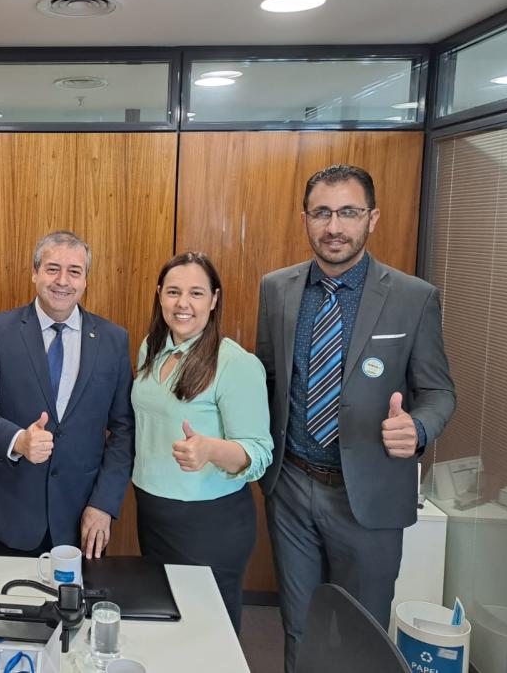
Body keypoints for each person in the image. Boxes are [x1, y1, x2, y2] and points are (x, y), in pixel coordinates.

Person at [255, 164, 455, 672]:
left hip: (368, 496)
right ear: (305, 219)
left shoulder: (413, 297)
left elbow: (438, 391)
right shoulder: (276, 289)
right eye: (322, 213)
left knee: (361, 635)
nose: (334, 227)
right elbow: (270, 381)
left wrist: (419, 427)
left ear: (373, 218)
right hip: (293, 488)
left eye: (349, 212)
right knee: (298, 625)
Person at [0, 231, 134, 558]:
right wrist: (17, 441)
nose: (63, 281)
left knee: (76, 608)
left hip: (83, 517)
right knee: (8, 607)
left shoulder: (113, 340)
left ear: (85, 280)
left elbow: (124, 429)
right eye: (53, 269)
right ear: (35, 273)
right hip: (12, 514)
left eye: (74, 271)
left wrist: (104, 504)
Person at [131, 252, 272, 633]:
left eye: (196, 293)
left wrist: (210, 449)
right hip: (154, 515)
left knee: (210, 634)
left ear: (214, 299)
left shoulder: (235, 364)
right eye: (174, 292)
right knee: (167, 626)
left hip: (210, 524)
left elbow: (259, 453)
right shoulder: (151, 348)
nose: (183, 304)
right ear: (160, 295)